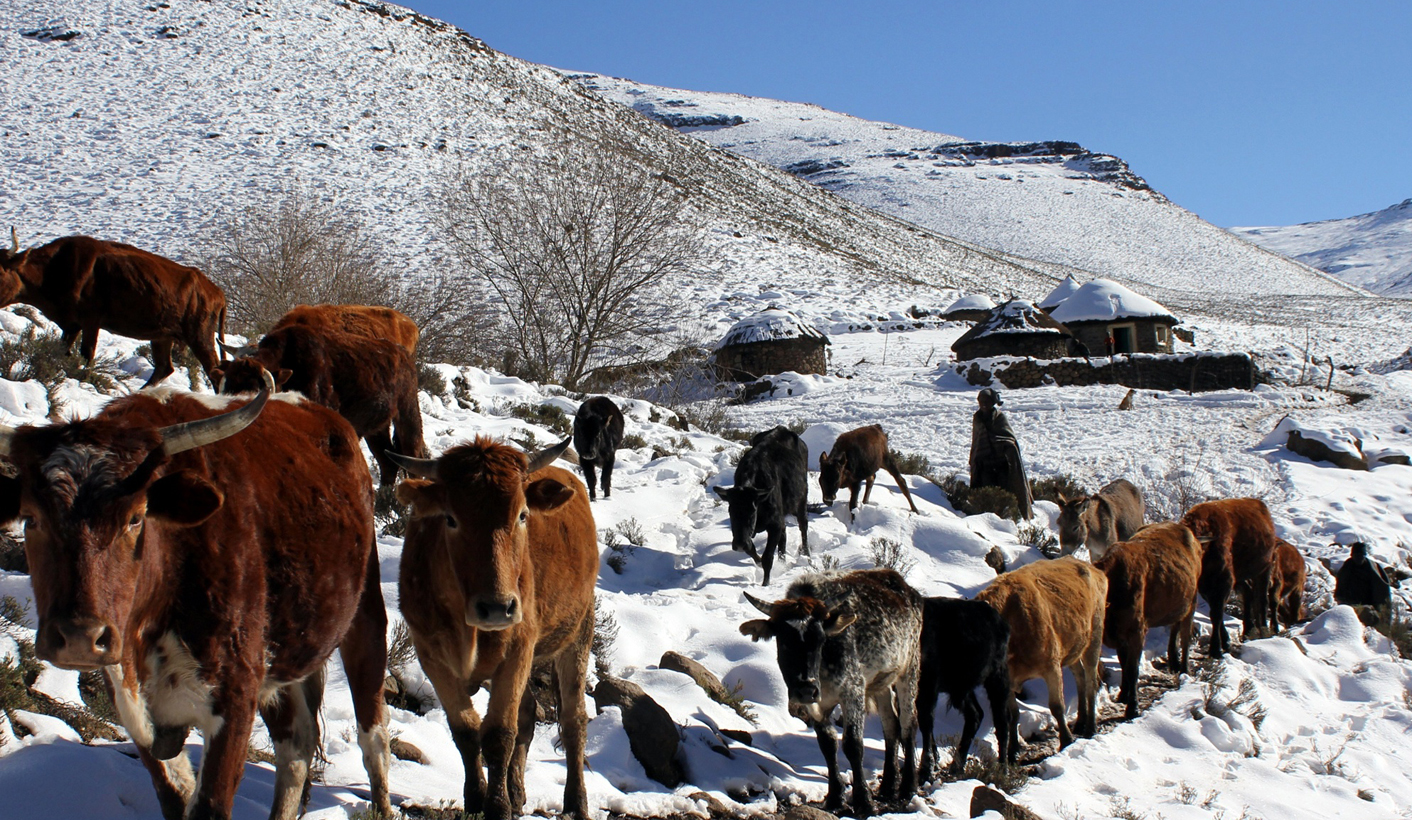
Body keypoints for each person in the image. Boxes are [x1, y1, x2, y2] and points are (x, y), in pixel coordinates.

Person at [969, 387, 1033, 519]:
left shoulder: (999, 417)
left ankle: (1010, 517)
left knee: (1005, 491)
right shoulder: (977, 419)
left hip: (1001, 464)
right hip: (984, 464)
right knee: (986, 492)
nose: (984, 404)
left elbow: (1008, 437)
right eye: (981, 401)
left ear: (993, 402)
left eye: (987, 401)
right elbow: (976, 441)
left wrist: (1006, 446)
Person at [1334, 541, 1394, 609]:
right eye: (1356, 555)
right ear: (1352, 555)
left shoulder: (1372, 567)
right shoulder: (1347, 566)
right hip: (1349, 604)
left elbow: (1381, 586)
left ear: (1364, 556)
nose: (1358, 558)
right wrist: (1340, 598)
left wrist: (1378, 607)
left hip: (1368, 605)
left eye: (1361, 555)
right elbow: (1341, 582)